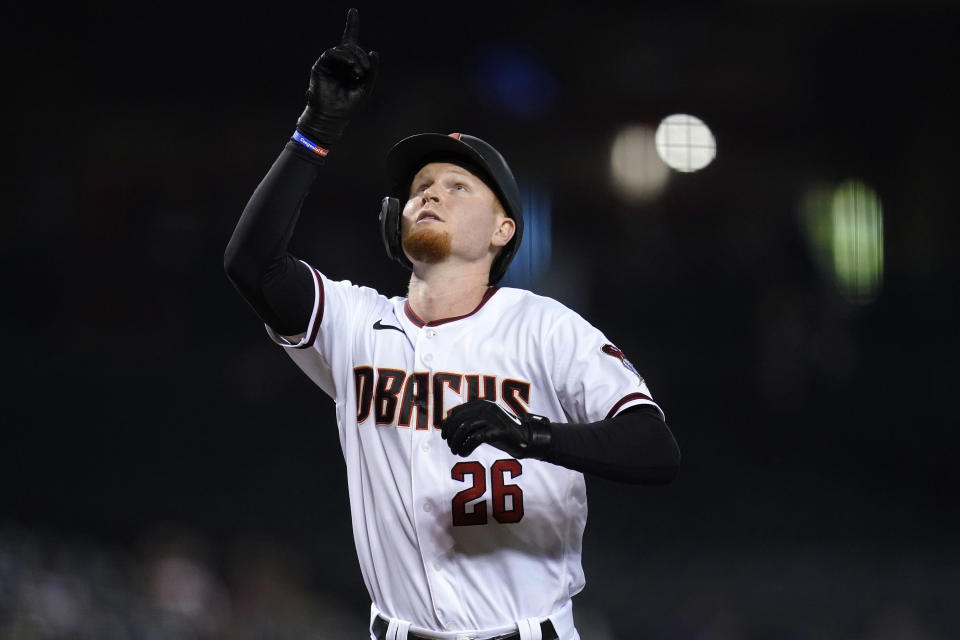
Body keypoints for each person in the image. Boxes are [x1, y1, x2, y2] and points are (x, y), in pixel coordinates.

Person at [224, 9, 680, 640]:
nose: (431, 192)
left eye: (458, 186)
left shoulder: (543, 328)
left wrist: (534, 438)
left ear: (503, 231)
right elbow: (252, 264)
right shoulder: (357, 324)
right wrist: (316, 129)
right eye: (421, 186)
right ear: (396, 221)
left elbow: (655, 449)